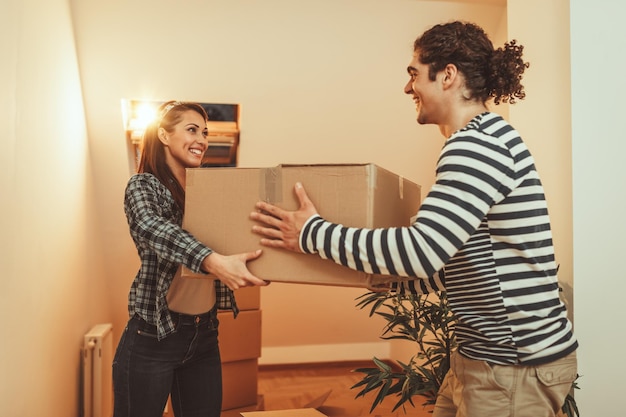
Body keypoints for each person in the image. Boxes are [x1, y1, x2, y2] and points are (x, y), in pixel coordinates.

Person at [250, 21, 578, 417]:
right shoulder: (485, 139)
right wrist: (374, 277)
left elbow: (420, 252)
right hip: (482, 356)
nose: (408, 88)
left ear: (448, 75)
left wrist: (311, 233)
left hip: (511, 365)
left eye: (414, 74)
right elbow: (451, 266)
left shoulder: (475, 146)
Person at [113, 100, 268, 417]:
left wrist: (257, 264)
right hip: (153, 336)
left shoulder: (208, 191)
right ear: (165, 135)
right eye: (192, 129)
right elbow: (152, 228)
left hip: (204, 334)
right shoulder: (144, 186)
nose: (202, 140)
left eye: (206, 132)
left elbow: (232, 238)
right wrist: (213, 261)